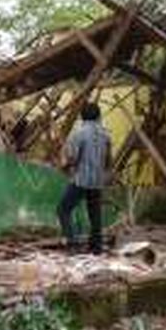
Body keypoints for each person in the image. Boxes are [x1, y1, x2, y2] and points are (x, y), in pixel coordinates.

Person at [57, 102, 112, 254]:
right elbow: (108, 160)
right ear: (98, 116)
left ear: (82, 116)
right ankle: (96, 248)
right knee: (95, 215)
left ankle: (72, 243)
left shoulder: (79, 133)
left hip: (81, 180)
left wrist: (64, 166)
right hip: (97, 181)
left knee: (63, 210)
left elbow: (73, 158)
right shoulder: (106, 134)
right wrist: (105, 175)